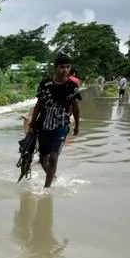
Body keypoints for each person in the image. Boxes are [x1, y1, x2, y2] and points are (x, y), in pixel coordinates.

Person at [27, 52, 82, 188]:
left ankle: (47, 188)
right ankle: (53, 177)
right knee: (43, 158)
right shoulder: (45, 84)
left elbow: (76, 108)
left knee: (53, 156)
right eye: (62, 67)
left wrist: (77, 126)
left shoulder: (72, 86)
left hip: (61, 126)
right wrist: (32, 123)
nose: (65, 70)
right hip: (43, 125)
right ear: (56, 67)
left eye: (68, 67)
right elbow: (38, 105)